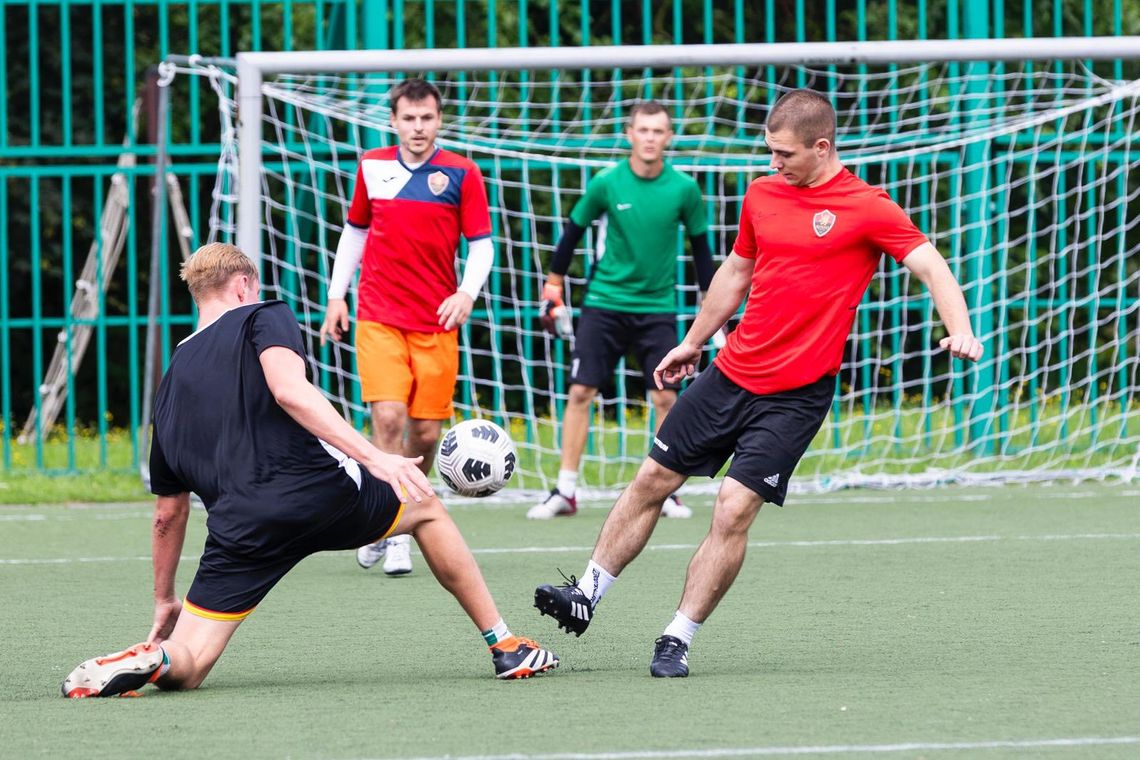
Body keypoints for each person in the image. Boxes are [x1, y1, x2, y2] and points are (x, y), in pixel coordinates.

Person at [532, 89, 984, 677]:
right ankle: (586, 593)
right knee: (652, 478)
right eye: (769, 152)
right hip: (731, 374)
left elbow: (931, 264)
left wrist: (961, 329)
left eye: (785, 154)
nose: (774, 164)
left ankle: (677, 636)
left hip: (796, 396)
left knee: (733, 506)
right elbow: (736, 272)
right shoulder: (763, 193)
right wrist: (693, 342)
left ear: (822, 148)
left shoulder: (867, 206)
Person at [61, 243, 558, 698]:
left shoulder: (169, 384)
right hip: (316, 493)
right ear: (243, 285)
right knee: (425, 506)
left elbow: (167, 514)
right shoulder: (263, 315)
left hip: (241, 530)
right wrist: (376, 457)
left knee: (188, 667)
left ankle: (154, 657)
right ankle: (506, 645)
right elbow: (289, 391)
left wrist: (165, 598)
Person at [320, 78, 495, 576]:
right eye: (409, 119)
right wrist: (337, 297)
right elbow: (354, 233)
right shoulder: (372, 167)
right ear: (394, 122)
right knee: (390, 419)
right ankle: (392, 529)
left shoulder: (463, 173)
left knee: (424, 431)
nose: (418, 127)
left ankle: (391, 511)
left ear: (439, 121)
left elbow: (481, 244)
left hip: (436, 323)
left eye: (427, 118)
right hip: (378, 317)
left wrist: (466, 293)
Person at [528, 101, 717, 521]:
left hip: (656, 309)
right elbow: (572, 232)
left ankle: (665, 491)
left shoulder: (684, 189)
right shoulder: (606, 182)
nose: (650, 137)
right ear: (629, 134)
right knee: (580, 392)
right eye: (643, 129)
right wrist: (554, 283)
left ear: (669, 138)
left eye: (658, 130)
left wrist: (711, 301)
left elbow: (702, 250)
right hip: (605, 304)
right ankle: (565, 489)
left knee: (667, 396)